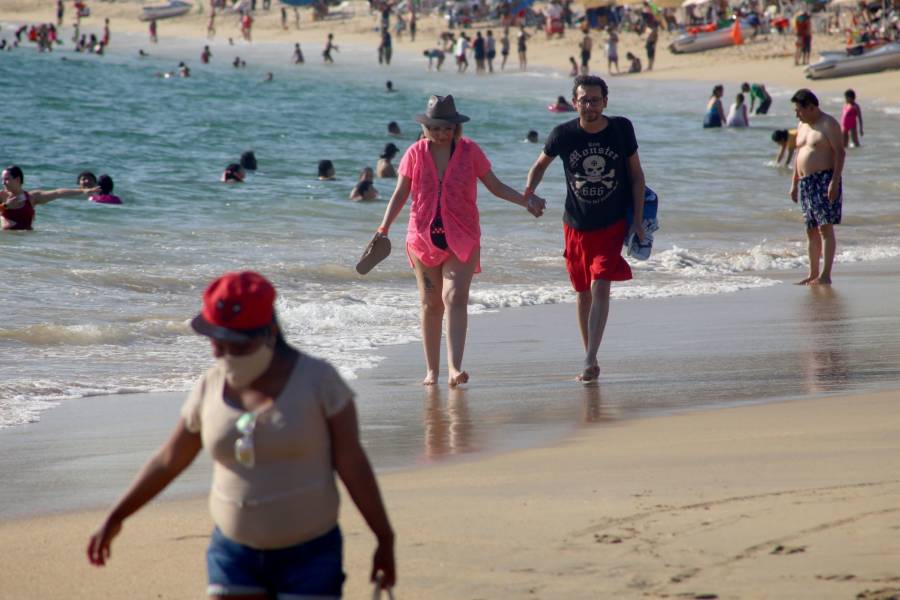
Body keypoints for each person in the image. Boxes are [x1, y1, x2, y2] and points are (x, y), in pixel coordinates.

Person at [86, 271, 396, 597]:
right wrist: (116, 515)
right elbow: (168, 459)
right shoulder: (209, 386)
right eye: (216, 344)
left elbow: (353, 465)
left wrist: (384, 537)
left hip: (310, 556)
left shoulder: (320, 382)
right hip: (233, 556)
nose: (222, 355)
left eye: (235, 345)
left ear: (270, 332)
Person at [374, 95, 545, 386]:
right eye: (436, 128)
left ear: (456, 127)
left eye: (447, 128)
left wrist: (524, 202)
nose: (442, 133)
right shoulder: (414, 153)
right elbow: (401, 194)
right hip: (422, 237)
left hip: (462, 236)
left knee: (454, 297)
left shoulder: (470, 151)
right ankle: (432, 371)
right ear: (426, 127)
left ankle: (454, 368)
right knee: (430, 304)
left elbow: (494, 185)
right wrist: (383, 228)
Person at [525, 75, 647, 383]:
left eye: (595, 99)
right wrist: (529, 194)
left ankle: (590, 357)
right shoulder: (563, 134)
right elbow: (539, 165)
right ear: (575, 102)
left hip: (611, 224)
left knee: (600, 284)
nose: (589, 105)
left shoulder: (621, 129)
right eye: (583, 99)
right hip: (576, 225)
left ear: (605, 101)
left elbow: (636, 176)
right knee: (582, 293)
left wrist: (638, 221)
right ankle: (589, 354)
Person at [790, 89, 845, 285]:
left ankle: (825, 275)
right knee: (810, 229)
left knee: (824, 227)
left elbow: (840, 153)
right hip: (806, 183)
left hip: (824, 180)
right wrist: (794, 182)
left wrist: (834, 181)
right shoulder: (802, 125)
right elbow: (798, 155)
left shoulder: (828, 124)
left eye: (799, 110)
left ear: (812, 107)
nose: (797, 114)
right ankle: (813, 273)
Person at [1, 165, 97, 230]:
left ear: (17, 179)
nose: (3, 183)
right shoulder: (1, 196)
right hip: (9, 243)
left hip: (25, 243)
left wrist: (83, 191)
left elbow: (58, 193)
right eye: (2, 179)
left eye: (7, 179)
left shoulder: (31, 198)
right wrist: (5, 206)